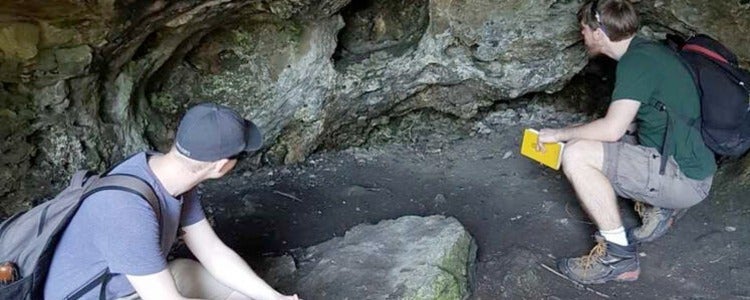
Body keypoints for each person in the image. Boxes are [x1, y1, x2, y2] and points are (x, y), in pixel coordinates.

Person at [537, 0, 716, 284]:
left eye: (584, 29)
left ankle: (619, 257)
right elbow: (627, 123)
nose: (582, 35)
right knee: (594, 139)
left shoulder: (636, 64)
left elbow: (611, 130)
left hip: (685, 178)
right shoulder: (647, 52)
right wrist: (570, 130)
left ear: (598, 32)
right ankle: (661, 207)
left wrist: (559, 135)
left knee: (577, 155)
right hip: (690, 162)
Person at [44, 103, 300, 299]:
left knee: (231, 291)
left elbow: (212, 251)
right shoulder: (126, 211)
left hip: (128, 284)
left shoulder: (168, 174)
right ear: (222, 166)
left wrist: (273, 297)